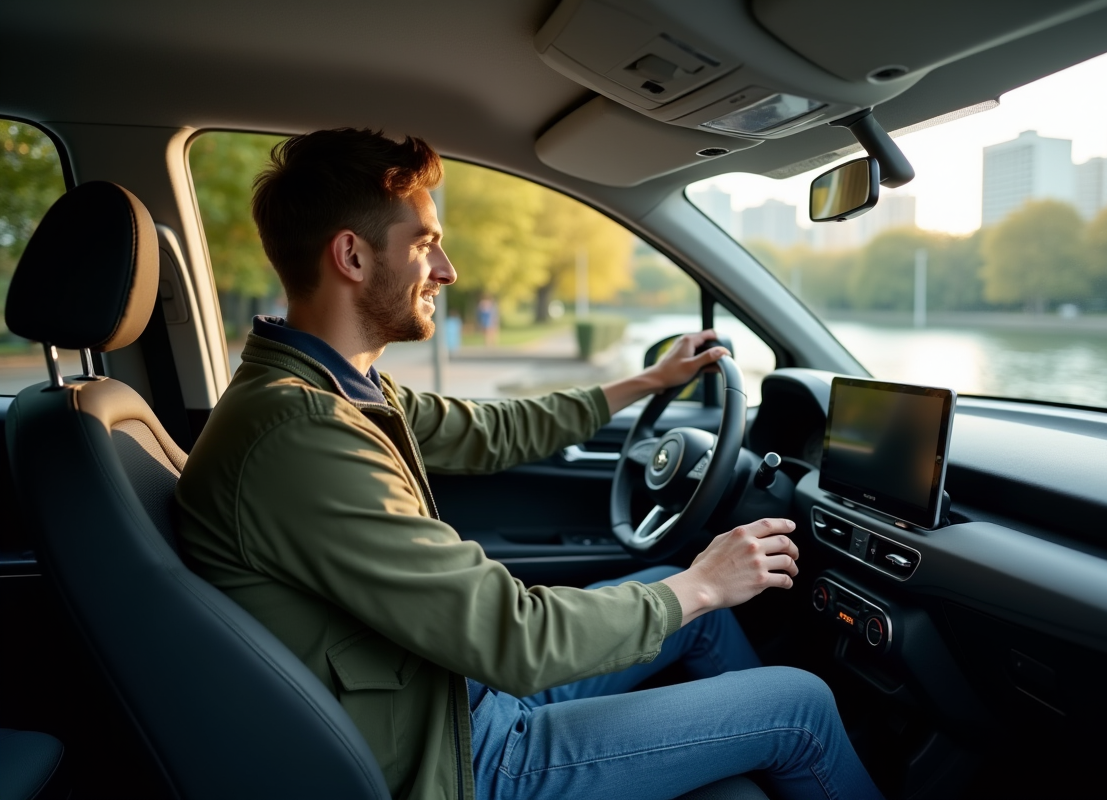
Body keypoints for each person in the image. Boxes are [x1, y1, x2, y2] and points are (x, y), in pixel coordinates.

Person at [175, 128, 882, 800]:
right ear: (353, 258)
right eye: (425, 245)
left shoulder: (332, 390)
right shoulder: (304, 435)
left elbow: (492, 431)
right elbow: (513, 638)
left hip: (445, 697)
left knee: (688, 607)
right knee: (800, 704)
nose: (447, 272)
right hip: (456, 762)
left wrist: (642, 385)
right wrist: (706, 582)